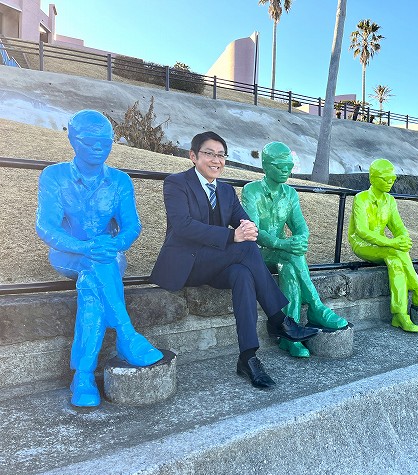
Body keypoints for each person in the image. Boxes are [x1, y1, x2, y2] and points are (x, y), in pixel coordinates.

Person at [150, 131, 318, 389]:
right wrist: (232, 236)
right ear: (193, 156)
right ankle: (279, 321)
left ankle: (248, 358)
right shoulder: (177, 183)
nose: (216, 160)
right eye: (209, 154)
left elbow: (245, 221)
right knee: (246, 249)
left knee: (243, 273)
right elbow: (183, 226)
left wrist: (248, 228)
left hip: (217, 264)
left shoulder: (226, 191)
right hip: (186, 264)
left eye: (221, 155)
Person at [35, 110, 163, 407]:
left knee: (92, 283)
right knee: (97, 264)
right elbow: (46, 227)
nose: (99, 147)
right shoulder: (54, 176)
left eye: (105, 142)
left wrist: (114, 244)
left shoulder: (120, 181)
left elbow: (132, 226)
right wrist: (85, 247)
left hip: (108, 255)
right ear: (72, 139)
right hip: (68, 254)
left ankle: (83, 375)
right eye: (90, 141)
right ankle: (126, 335)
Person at [241, 142, 348, 358]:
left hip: (282, 254)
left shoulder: (290, 194)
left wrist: (300, 240)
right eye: (280, 166)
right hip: (254, 253)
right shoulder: (251, 191)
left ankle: (290, 337)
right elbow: (254, 231)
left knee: (289, 269)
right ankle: (316, 307)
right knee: (291, 255)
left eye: (289, 166)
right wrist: (284, 244)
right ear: (265, 165)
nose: (285, 170)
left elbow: (300, 226)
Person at [349, 159, 418, 333]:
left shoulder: (390, 200)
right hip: (362, 244)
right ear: (372, 178)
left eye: (392, 179)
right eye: (385, 179)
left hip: (384, 247)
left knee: (395, 262)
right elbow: (361, 231)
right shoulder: (361, 198)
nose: (390, 182)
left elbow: (398, 226)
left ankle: (400, 314)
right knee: (395, 251)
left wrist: (404, 238)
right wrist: (392, 242)